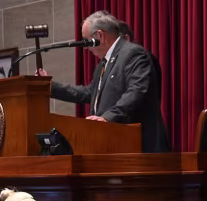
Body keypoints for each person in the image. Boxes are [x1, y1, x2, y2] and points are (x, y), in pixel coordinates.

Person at [40, 9, 171, 153]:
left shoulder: (133, 53)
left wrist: (107, 118)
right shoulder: (104, 63)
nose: (86, 48)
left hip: (138, 145)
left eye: (86, 41)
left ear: (100, 36)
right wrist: (50, 87)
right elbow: (89, 93)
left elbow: (136, 91)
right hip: (113, 143)